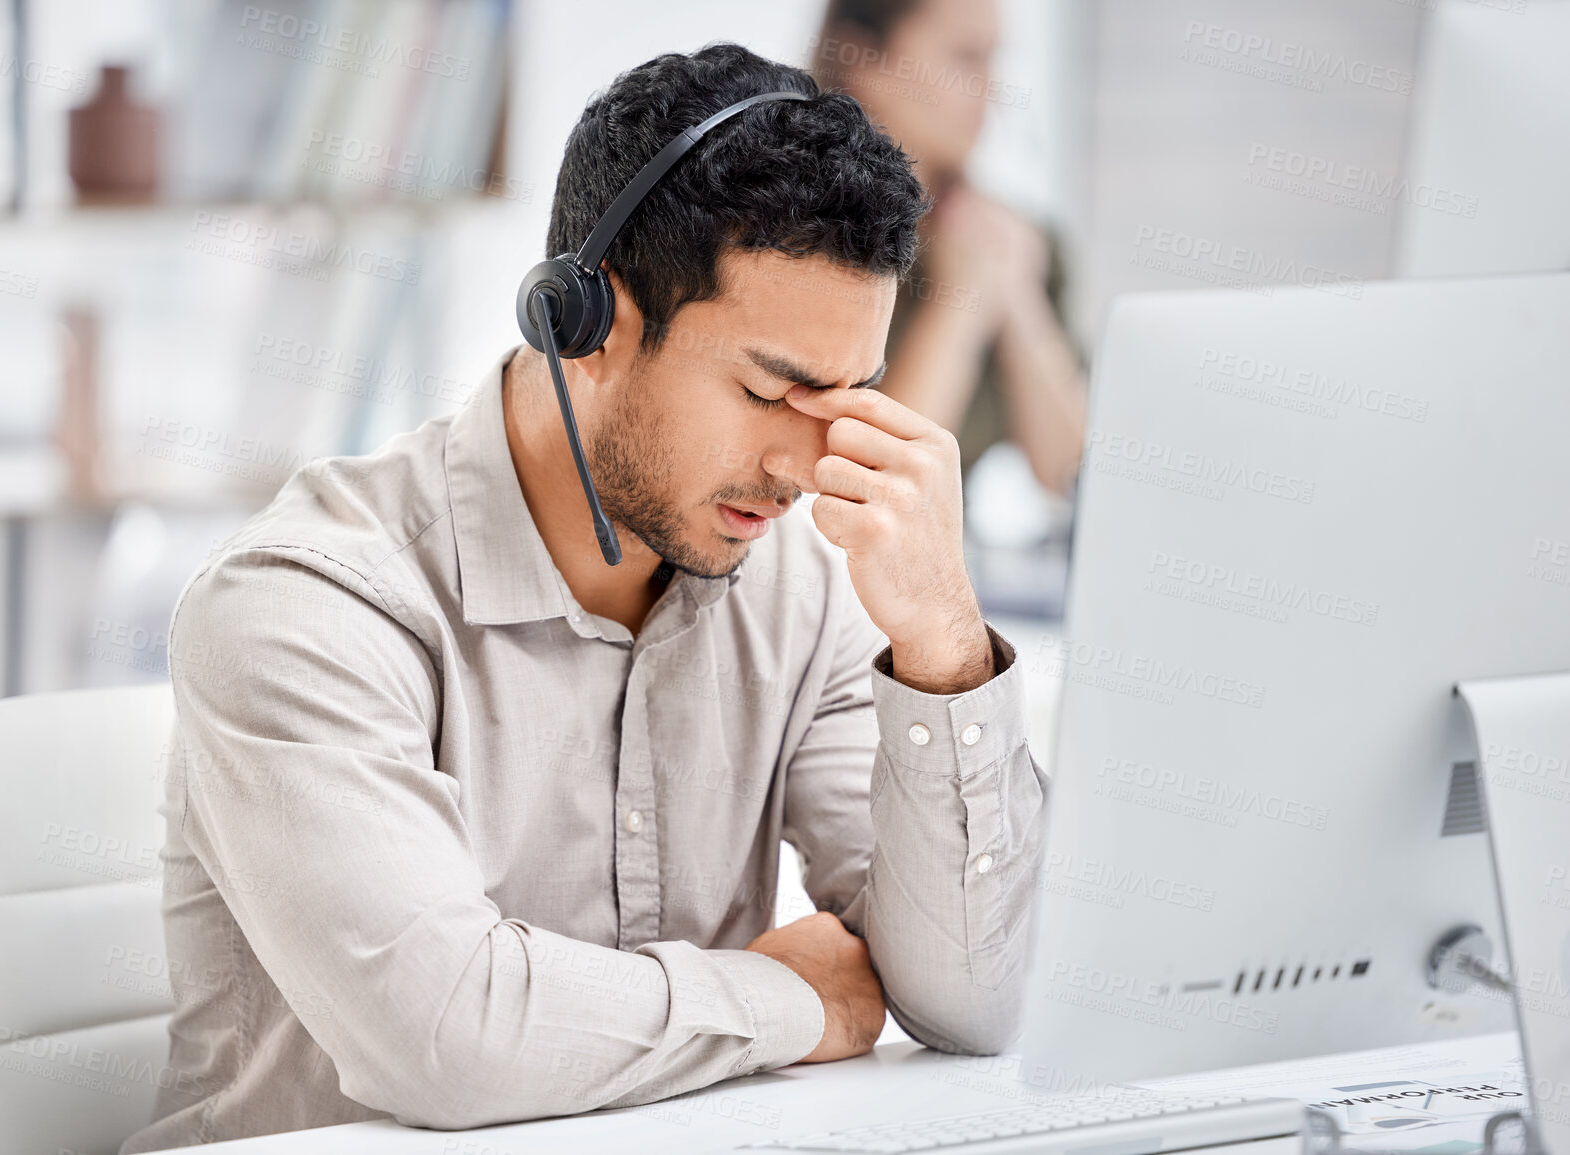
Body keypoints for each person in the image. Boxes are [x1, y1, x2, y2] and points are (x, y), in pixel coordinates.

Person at [122, 43, 1045, 1152]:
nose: (808, 466)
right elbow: (445, 1038)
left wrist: (944, 640)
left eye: (849, 396)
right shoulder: (303, 610)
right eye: (767, 392)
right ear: (586, 322)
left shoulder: (799, 587)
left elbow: (983, 998)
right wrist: (784, 1000)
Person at [811, 0, 1087, 494]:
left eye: (993, 58)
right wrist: (959, 307)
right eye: (966, 56)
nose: (992, 89)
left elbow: (1070, 471)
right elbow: (865, 482)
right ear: (863, 59)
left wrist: (1017, 295)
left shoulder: (1016, 239)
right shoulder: (796, 238)